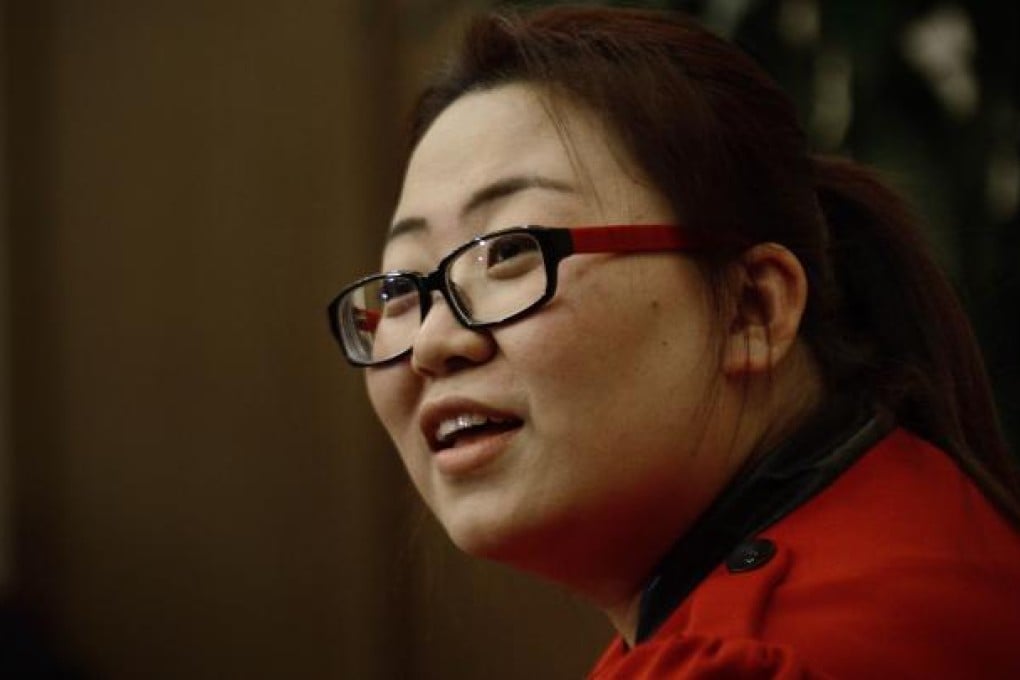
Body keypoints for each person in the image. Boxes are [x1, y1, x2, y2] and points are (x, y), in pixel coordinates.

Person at [327, 6, 1020, 677]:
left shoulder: (751, 661)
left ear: (754, 308)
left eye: (509, 252)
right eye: (398, 290)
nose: (432, 344)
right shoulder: (927, 531)